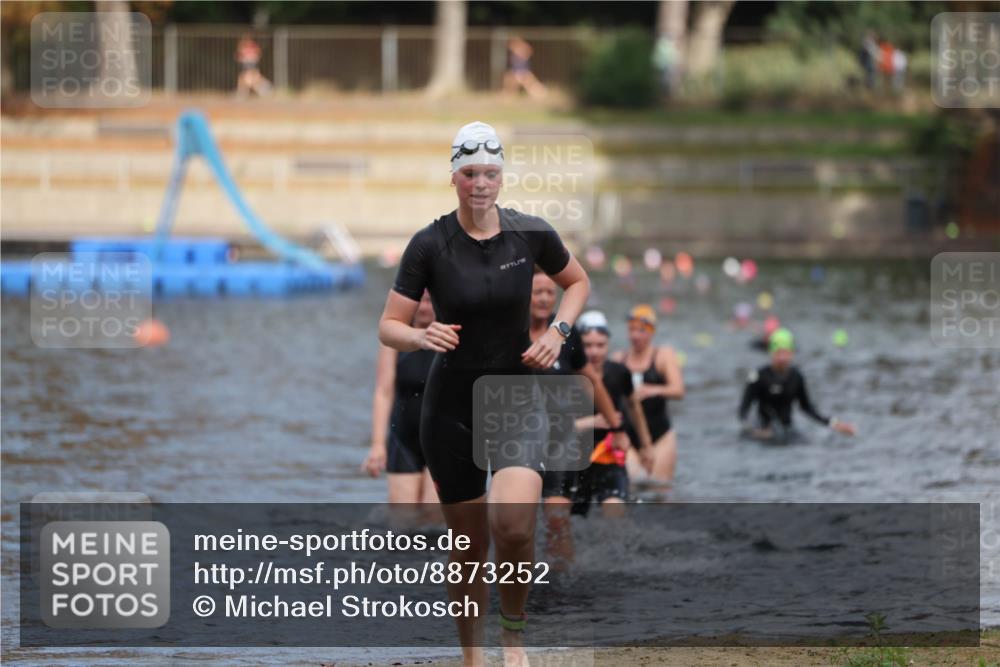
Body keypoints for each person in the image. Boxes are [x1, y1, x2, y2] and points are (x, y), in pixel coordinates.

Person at [378, 121, 590, 667]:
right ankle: (472, 656)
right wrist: (420, 335)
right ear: (453, 177)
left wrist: (558, 332)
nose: (480, 184)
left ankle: (513, 638)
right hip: (450, 408)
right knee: (469, 548)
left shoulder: (531, 234)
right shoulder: (430, 243)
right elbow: (388, 326)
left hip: (515, 399)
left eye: (489, 174)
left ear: (501, 177)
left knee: (513, 527)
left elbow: (577, 283)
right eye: (470, 173)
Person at [529, 267, 623, 568]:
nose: (544, 299)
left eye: (550, 292)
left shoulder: (566, 337)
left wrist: (615, 424)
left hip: (561, 441)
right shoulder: (509, 334)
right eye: (537, 292)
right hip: (520, 442)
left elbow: (592, 381)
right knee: (517, 523)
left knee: (557, 519)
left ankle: (563, 577)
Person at [363, 290, 441, 516]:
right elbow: (383, 391)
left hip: (442, 442)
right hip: (404, 439)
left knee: (434, 519)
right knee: (402, 522)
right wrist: (378, 445)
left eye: (430, 301)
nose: (424, 307)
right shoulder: (394, 339)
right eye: (420, 301)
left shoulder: (452, 337)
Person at [574, 311, 653, 517]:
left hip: (609, 457)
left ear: (608, 344)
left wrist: (646, 446)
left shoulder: (619, 372)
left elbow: (634, 407)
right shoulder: (567, 376)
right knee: (571, 521)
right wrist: (591, 422)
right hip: (574, 461)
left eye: (600, 345)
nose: (594, 352)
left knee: (615, 514)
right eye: (587, 345)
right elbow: (554, 426)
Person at [739, 328, 856, 444]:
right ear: (771, 353)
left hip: (787, 431)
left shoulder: (796, 377)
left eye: (786, 353)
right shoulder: (758, 376)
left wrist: (834, 424)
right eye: (779, 353)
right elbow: (743, 410)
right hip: (762, 432)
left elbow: (807, 408)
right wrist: (752, 430)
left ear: (792, 353)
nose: (782, 358)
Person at [611, 305, 684, 488]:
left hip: (661, 437)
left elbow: (678, 390)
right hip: (629, 437)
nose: (635, 336)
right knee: (630, 486)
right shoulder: (618, 359)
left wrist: (653, 390)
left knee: (659, 489)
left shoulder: (663, 355)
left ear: (652, 332)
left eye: (641, 331)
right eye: (632, 330)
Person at [235, 33, 271, 97]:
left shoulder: (252, 45)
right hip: (246, 63)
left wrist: (252, 57)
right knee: (246, 78)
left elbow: (257, 53)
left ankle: (265, 88)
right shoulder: (243, 46)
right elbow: (239, 54)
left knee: (250, 77)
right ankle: (263, 89)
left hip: (251, 62)